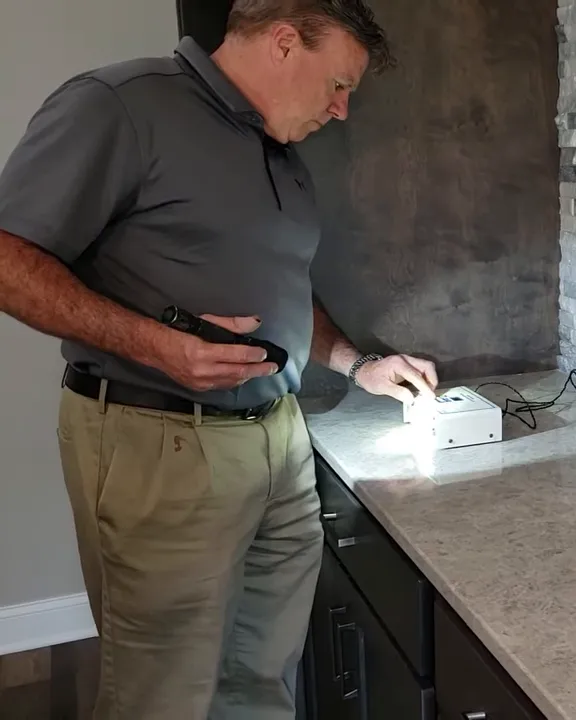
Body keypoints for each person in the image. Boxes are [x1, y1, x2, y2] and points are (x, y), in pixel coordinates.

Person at [0, 1, 437, 718]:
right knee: (161, 696)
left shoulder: (278, 150)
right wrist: (157, 345)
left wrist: (358, 363)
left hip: (279, 440)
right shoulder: (120, 106)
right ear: (285, 41)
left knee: (262, 678)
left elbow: (283, 286)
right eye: (337, 84)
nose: (342, 110)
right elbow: (9, 258)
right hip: (161, 444)